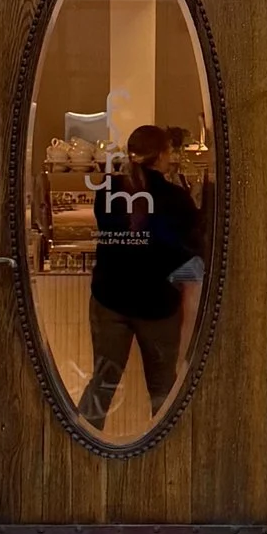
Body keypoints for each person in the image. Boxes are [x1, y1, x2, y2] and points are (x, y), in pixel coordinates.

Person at [76, 124, 206, 428]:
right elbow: (190, 258)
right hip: (157, 307)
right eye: (170, 151)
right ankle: (165, 464)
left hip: (109, 299)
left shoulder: (106, 191)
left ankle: (80, 448)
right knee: (163, 392)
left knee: (102, 384)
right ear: (162, 155)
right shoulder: (177, 200)